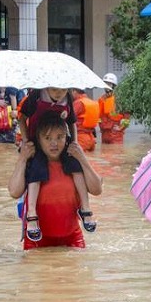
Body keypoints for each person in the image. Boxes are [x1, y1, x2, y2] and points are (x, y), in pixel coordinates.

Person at [7, 110, 103, 249]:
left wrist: (83, 159)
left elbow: (97, 190)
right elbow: (14, 192)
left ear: (66, 138)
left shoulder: (74, 163)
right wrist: (22, 158)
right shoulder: (32, 165)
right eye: (47, 138)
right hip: (37, 240)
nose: (54, 143)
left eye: (60, 137)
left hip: (72, 237)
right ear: (39, 140)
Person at [17, 87, 98, 238]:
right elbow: (21, 117)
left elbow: (72, 122)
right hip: (38, 142)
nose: (58, 93)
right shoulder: (36, 95)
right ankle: (31, 213)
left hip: (62, 142)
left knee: (76, 167)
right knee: (35, 171)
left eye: (62, 90)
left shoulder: (68, 98)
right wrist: (26, 141)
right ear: (46, 86)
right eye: (54, 90)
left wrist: (74, 144)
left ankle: (85, 208)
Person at [97, 73, 129, 144]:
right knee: (104, 153)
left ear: (114, 85)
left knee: (116, 154)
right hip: (105, 133)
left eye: (109, 84)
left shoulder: (120, 99)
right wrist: (101, 127)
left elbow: (127, 118)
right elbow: (99, 117)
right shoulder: (101, 99)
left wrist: (120, 128)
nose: (107, 86)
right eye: (105, 84)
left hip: (116, 134)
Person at [72, 87, 100, 151]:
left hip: (81, 137)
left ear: (75, 91)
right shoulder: (92, 102)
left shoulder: (78, 103)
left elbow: (69, 117)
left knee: (78, 159)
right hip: (91, 138)